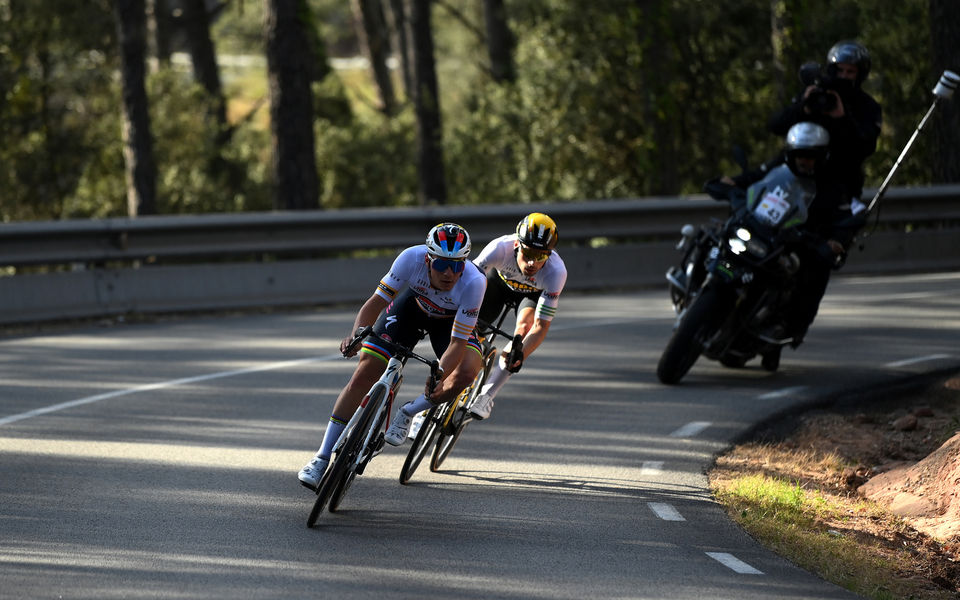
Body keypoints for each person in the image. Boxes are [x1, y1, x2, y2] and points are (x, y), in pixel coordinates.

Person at [297, 223, 487, 490]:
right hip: (410, 309)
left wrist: (439, 373)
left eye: (457, 266)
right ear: (428, 259)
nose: (449, 273)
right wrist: (357, 336)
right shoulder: (411, 258)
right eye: (442, 264)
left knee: (466, 372)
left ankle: (409, 411)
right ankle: (321, 457)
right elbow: (376, 302)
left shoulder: (474, 282)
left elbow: (457, 342)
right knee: (364, 373)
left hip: (449, 323)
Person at [766, 40, 882, 342]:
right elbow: (776, 126)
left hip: (835, 192)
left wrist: (842, 117)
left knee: (819, 260)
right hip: (792, 181)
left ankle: (793, 327)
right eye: (839, 70)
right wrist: (802, 106)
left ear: (860, 75)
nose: (844, 77)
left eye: (850, 72)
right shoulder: (816, 95)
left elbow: (865, 147)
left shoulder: (868, 107)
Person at [466, 212, 567, 420]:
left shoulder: (556, 272)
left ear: (549, 254)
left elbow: (541, 326)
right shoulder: (499, 248)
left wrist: (520, 352)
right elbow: (468, 283)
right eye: (528, 253)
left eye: (541, 256)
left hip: (529, 296)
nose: (532, 263)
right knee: (470, 327)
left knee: (522, 334)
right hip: (497, 285)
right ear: (517, 245)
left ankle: (487, 395)